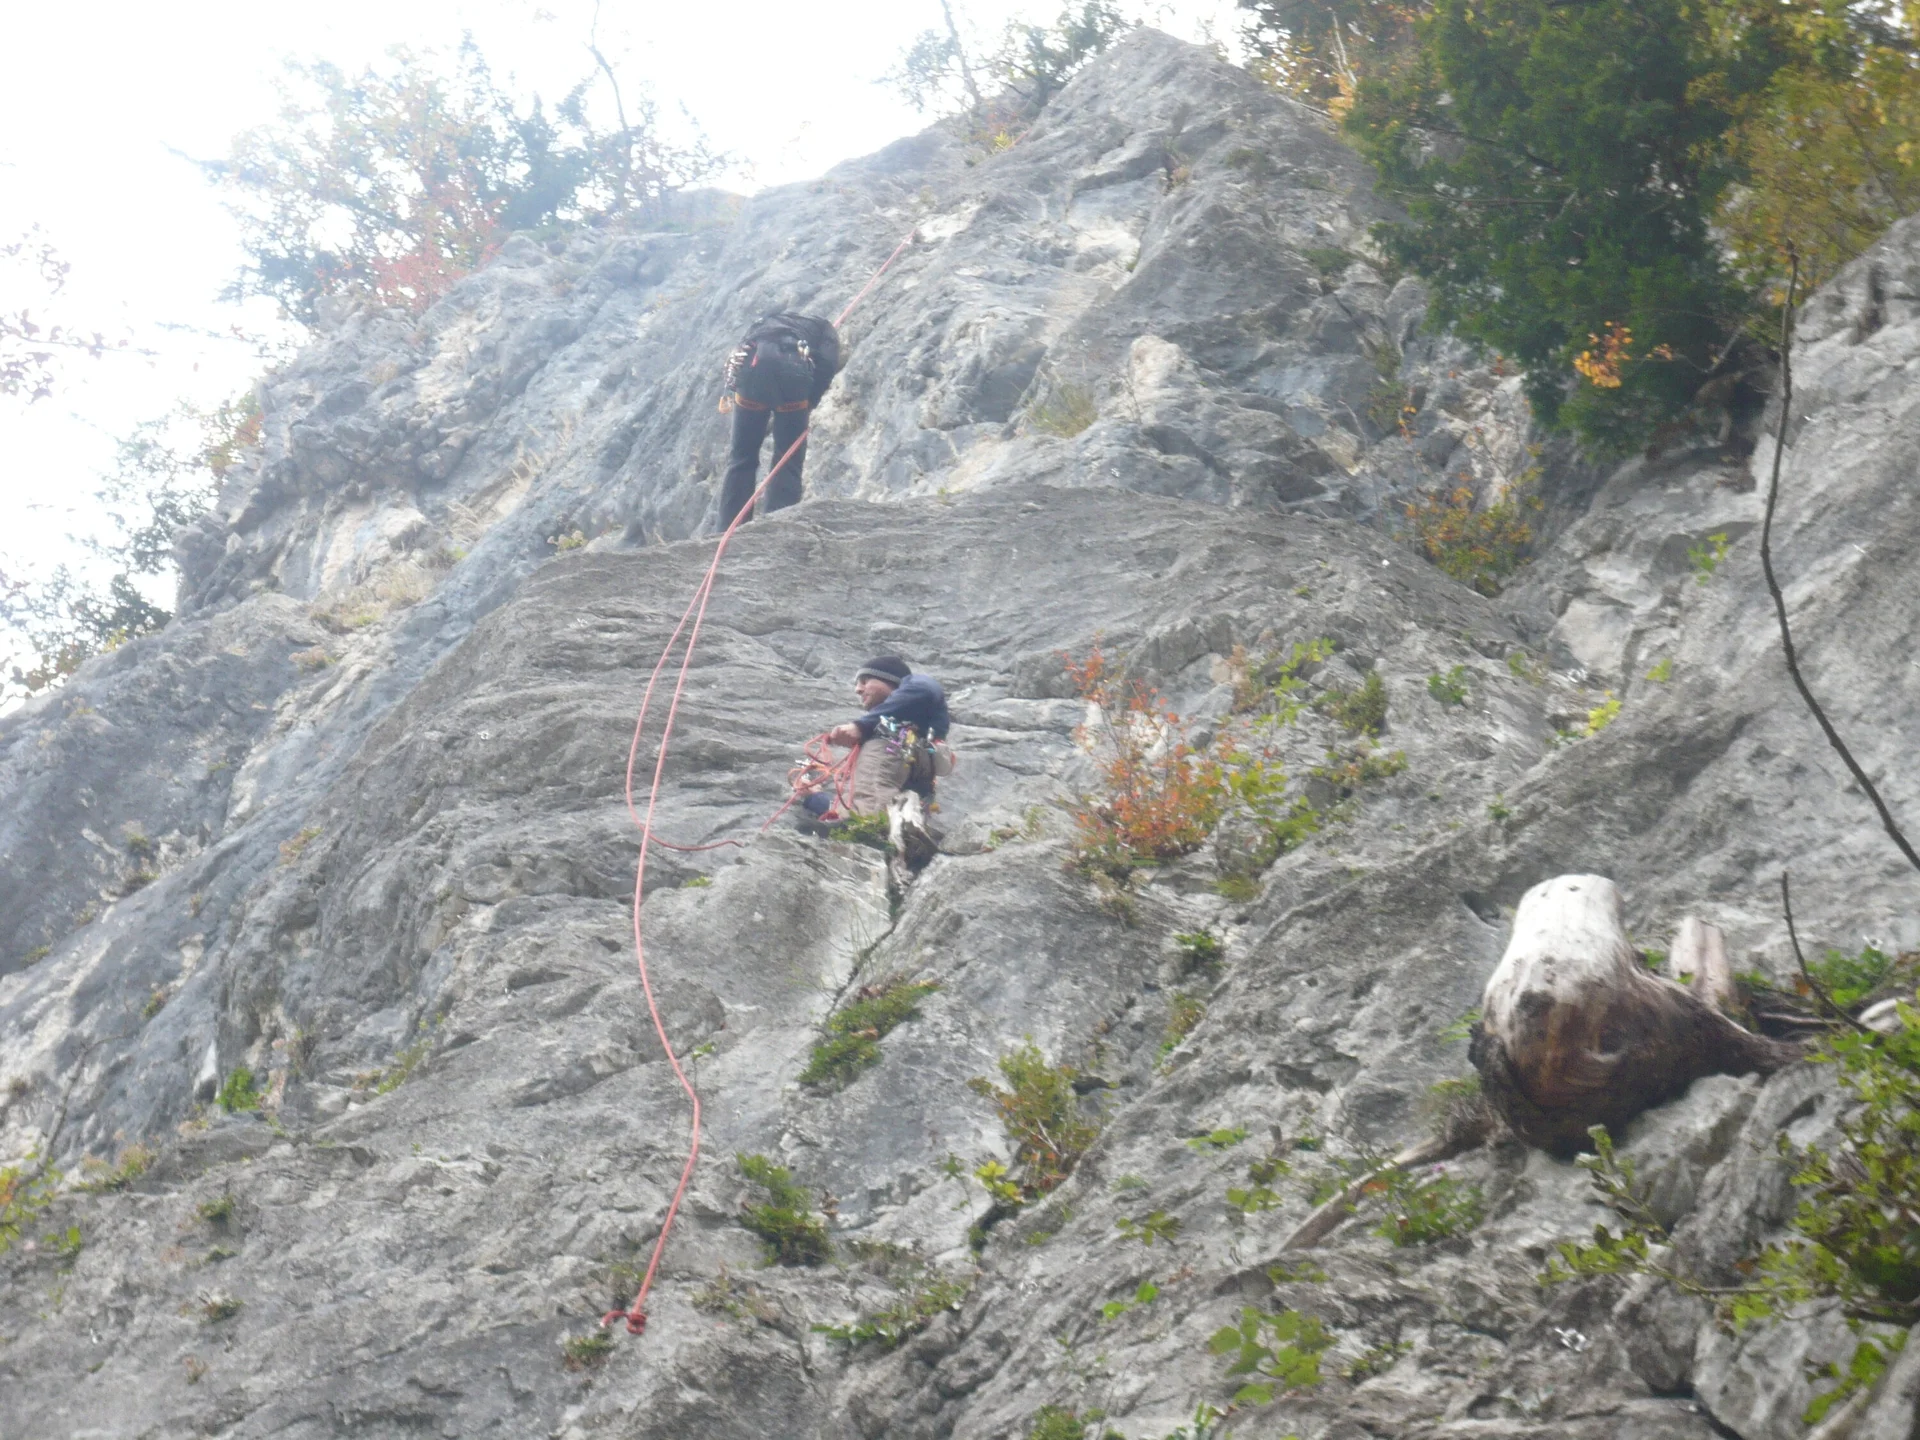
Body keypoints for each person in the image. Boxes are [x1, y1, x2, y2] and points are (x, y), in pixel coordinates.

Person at [799, 656, 953, 865]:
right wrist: (813, 797)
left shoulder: (915, 683)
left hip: (898, 748)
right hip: (914, 771)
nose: (858, 689)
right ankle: (901, 837)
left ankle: (867, 829)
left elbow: (926, 689)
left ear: (892, 681)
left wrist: (861, 726)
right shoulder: (897, 722)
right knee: (855, 800)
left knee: (875, 749)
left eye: (865, 681)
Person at [718, 312, 843, 528]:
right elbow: (827, 365)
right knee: (787, 459)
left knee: (741, 459)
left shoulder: (763, 323)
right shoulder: (825, 329)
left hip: (751, 379)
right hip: (792, 381)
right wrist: (809, 402)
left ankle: (728, 529)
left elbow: (740, 355)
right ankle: (777, 527)